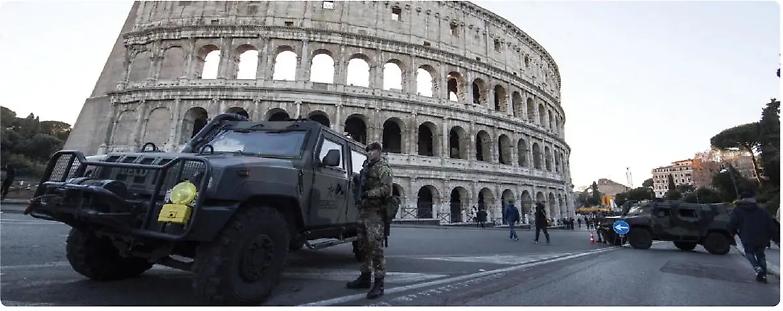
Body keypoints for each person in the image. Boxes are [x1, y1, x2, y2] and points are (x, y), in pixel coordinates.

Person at [346, 142, 392, 299]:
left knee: (376, 248)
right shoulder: (366, 167)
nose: (370, 153)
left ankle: (379, 283)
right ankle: (365, 277)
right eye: (368, 151)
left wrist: (369, 193)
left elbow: (387, 189)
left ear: (378, 151)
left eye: (372, 151)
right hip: (363, 211)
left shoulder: (383, 168)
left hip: (375, 213)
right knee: (363, 246)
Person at [728, 191, 780, 283]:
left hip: (747, 236)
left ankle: (757, 268)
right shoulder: (762, 210)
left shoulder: (737, 210)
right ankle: (763, 275)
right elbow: (771, 225)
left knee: (749, 253)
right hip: (762, 237)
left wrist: (732, 232)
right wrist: (774, 237)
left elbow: (732, 223)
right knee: (761, 255)